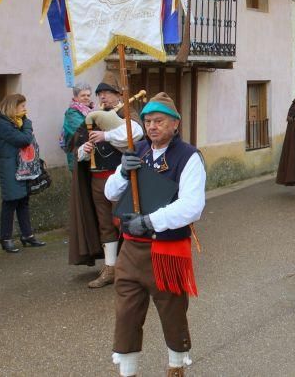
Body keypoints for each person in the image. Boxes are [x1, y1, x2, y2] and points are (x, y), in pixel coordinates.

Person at [104, 93, 205, 377]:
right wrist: (123, 173)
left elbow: (192, 207)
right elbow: (110, 192)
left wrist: (150, 221)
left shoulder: (188, 157)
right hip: (131, 250)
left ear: (175, 124)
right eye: (147, 121)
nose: (152, 127)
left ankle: (176, 366)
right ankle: (127, 372)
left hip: (167, 251)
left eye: (159, 121)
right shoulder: (137, 151)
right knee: (126, 314)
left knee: (172, 313)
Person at [73, 72, 144, 288]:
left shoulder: (126, 112)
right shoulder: (94, 116)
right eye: (100, 93)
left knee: (124, 221)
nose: (103, 97)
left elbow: (137, 134)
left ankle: (131, 266)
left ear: (118, 94)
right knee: (105, 224)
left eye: (107, 93)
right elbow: (76, 149)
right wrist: (84, 150)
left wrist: (107, 136)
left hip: (122, 178)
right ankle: (110, 268)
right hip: (97, 179)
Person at [0, 93, 47, 253]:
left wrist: (23, 124)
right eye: (22, 106)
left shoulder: (15, 122)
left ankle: (27, 236)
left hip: (21, 167)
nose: (25, 109)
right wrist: (28, 124)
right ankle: (6, 239)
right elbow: (24, 140)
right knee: (10, 203)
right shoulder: (2, 125)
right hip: (10, 168)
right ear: (12, 107)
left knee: (23, 201)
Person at [61, 83, 94, 171]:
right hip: (76, 153)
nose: (86, 97)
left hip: (87, 152)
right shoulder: (72, 112)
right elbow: (83, 130)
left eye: (88, 95)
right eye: (83, 95)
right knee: (79, 183)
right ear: (76, 98)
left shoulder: (90, 110)